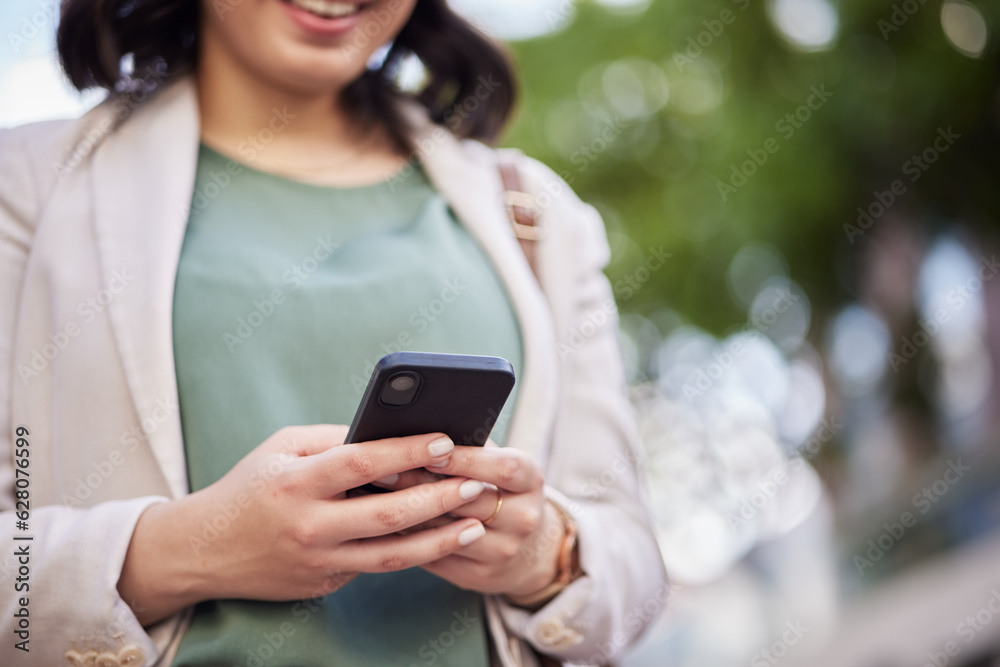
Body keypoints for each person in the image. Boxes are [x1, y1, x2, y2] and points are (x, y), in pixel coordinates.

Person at [0, 0, 667, 665]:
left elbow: (637, 572)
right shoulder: (26, 189)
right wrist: (191, 548)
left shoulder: (537, 217)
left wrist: (542, 549)